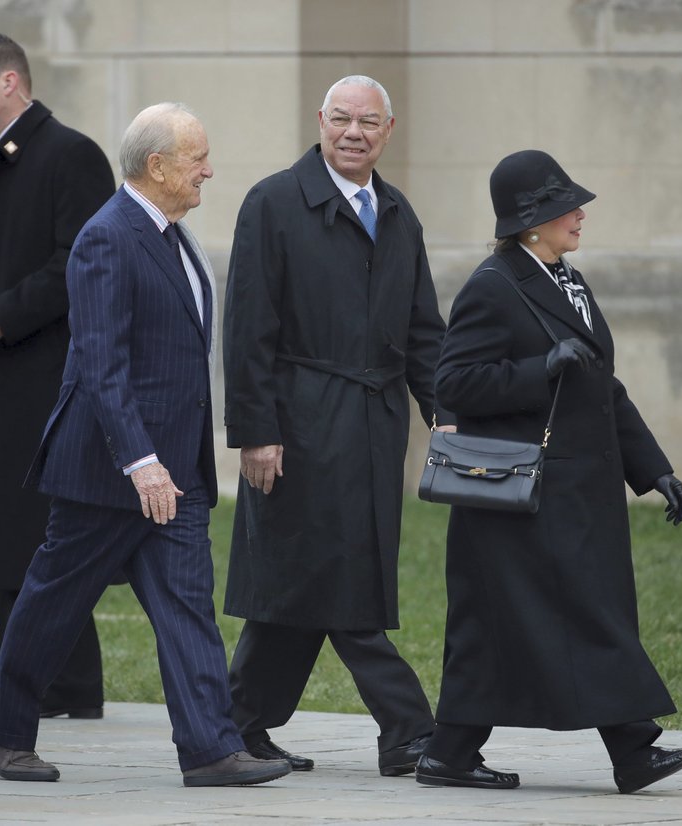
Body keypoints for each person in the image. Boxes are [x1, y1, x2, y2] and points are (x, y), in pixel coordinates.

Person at [0, 103, 289, 789]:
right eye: (198, 157)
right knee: (53, 603)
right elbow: (101, 364)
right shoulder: (107, 237)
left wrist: (170, 464)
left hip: (176, 472)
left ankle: (210, 749)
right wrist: (140, 462)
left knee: (186, 608)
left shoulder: (175, 236)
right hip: (108, 471)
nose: (209, 168)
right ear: (158, 166)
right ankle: (0, 731)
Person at [417, 148, 682, 793]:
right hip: (527, 498)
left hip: (575, 494)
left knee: (498, 627)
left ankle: (450, 752)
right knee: (585, 616)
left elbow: (604, 387)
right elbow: (453, 383)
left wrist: (654, 468)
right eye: (564, 207)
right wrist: (537, 369)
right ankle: (631, 748)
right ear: (529, 222)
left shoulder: (566, 279)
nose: (579, 215)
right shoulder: (494, 284)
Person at [221, 75, 452, 775]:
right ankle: (408, 728)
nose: (354, 132)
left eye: (369, 122)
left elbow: (422, 330)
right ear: (320, 120)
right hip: (300, 424)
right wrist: (256, 430)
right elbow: (247, 330)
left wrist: (441, 409)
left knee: (300, 586)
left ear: (389, 130)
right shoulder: (273, 203)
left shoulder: (397, 212)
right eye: (342, 119)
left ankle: (235, 725)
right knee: (336, 576)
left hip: (375, 427)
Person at [0, 31, 113, 724]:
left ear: (10, 82)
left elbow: (82, 259)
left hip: (45, 374)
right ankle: (68, 683)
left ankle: (17, 674)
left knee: (30, 528)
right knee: (23, 530)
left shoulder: (72, 155)